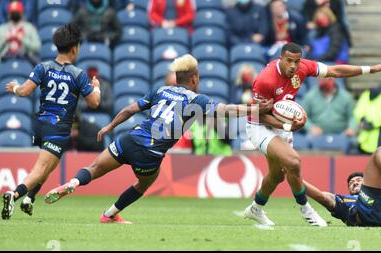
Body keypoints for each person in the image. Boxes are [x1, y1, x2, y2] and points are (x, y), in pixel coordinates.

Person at [44, 54, 273, 224]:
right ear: (194, 79)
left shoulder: (161, 91)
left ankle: (73, 183)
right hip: (150, 154)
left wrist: (110, 126)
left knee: (93, 167)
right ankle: (109, 214)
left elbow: (130, 109)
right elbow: (226, 109)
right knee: (143, 184)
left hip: (130, 139)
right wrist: (254, 108)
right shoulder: (197, 99)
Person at [243, 42, 381, 227]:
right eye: (288, 61)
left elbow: (335, 71)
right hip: (259, 126)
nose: (293, 66)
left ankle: (255, 209)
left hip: (282, 126)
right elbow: (258, 115)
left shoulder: (303, 67)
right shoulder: (265, 79)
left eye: (296, 61)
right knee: (293, 162)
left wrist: (369, 69)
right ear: (280, 59)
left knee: (277, 175)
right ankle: (306, 210)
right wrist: (287, 126)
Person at [0, 23, 102, 220]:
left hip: (39, 125)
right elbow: (95, 102)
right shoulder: (78, 74)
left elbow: (23, 91)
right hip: (59, 128)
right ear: (75, 48)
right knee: (41, 168)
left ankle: (30, 198)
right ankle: (14, 195)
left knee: (50, 165)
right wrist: (96, 87)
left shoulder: (43, 67)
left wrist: (14, 88)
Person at [304, 147, 381, 227]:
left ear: (368, 182)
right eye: (351, 183)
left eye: (358, 180)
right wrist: (295, 178)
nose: (355, 182)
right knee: (379, 151)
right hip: (367, 212)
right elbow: (320, 196)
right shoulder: (344, 201)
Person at [0, 1, 41, 65]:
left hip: (25, 60)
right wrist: (4, 40)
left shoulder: (29, 28)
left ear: (22, 13)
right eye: (13, 13)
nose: (15, 15)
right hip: (5, 60)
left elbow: (37, 47)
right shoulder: (1, 29)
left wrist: (23, 40)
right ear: (9, 14)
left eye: (17, 12)